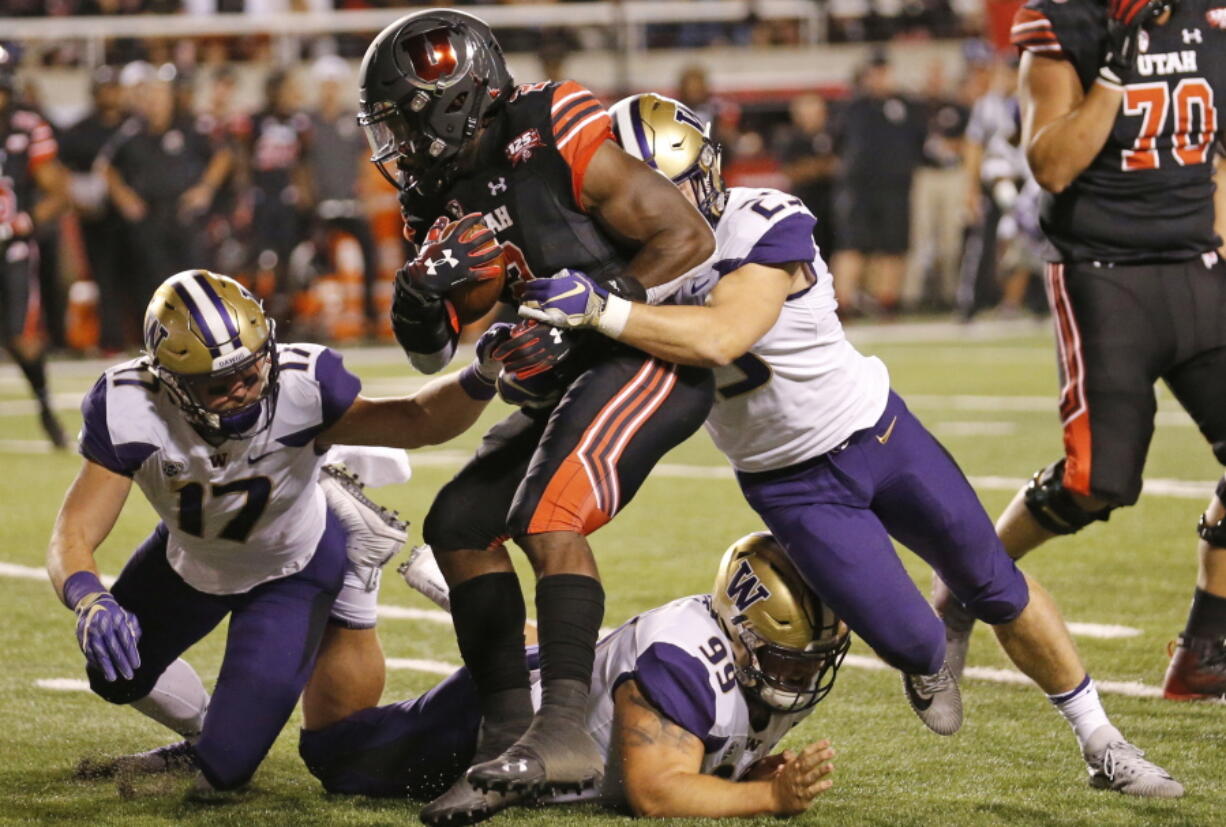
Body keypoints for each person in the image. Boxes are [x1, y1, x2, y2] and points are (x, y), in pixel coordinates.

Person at [521, 92, 1184, 798]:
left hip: (878, 432)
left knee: (995, 580)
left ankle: (1101, 739)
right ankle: (932, 647)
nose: (628, 210)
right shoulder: (616, 267)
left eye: (647, 191)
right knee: (914, 642)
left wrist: (603, 310)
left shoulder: (760, 220)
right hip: (789, 483)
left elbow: (723, 334)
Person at [356, 10, 717, 824]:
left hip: (646, 354)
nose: (397, 145)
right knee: (456, 525)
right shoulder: (432, 192)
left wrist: (592, 308)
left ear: (453, 103)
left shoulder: (552, 124)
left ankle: (563, 732)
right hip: (565, 376)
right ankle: (505, 738)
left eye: (405, 122)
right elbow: (430, 351)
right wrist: (420, 295)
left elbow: (685, 237)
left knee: (547, 509)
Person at [47, 268, 515, 793]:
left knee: (224, 774)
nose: (245, 389)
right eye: (219, 385)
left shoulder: (303, 382)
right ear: (172, 382)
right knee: (113, 675)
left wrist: (480, 375)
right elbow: (74, 532)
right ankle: (205, 728)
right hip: (189, 559)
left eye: (251, 368)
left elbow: (415, 420)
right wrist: (89, 598)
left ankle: (342, 541)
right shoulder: (129, 405)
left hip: (291, 569)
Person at [937, 0, 1226, 702]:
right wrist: (1115, 77)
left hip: (1197, 264)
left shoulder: (1210, 18)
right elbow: (1055, 166)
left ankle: (1205, 647)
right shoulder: (1065, 21)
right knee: (1096, 480)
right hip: (1106, 272)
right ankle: (964, 584)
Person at [299, 533, 845, 821]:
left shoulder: (763, 656)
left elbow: (705, 749)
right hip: (495, 727)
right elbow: (654, 792)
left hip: (571, 682)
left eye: (813, 660)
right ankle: (356, 578)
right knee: (332, 754)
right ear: (739, 634)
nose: (804, 674)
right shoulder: (683, 660)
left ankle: (477, 609)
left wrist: (739, 771)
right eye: (788, 661)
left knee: (600, 666)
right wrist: (768, 797)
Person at [0, 44, 70, 448]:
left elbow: (59, 193)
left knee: (22, 339)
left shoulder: (27, 126)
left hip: (13, 249)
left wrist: (22, 222)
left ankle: (45, 409)